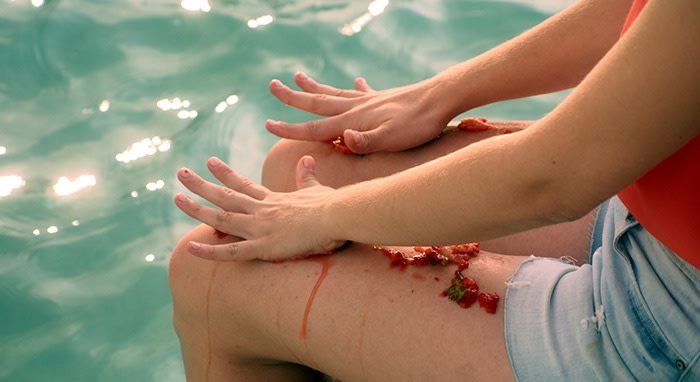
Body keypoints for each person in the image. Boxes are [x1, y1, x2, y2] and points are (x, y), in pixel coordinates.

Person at [169, 0, 700, 380]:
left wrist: (324, 217)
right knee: (311, 163)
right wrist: (437, 96)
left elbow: (551, 180)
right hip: (642, 222)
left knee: (214, 271)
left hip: (669, 323)